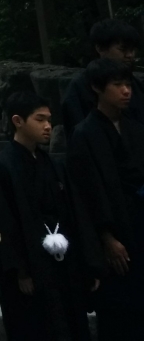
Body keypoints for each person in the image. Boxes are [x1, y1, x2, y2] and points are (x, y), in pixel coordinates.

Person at [0, 92, 92, 341]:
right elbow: (3, 222)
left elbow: (73, 213)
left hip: (61, 261)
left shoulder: (53, 165)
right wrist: (20, 271)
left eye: (49, 120)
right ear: (18, 121)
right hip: (31, 262)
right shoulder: (3, 167)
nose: (47, 126)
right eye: (40, 119)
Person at [67, 57, 144, 340]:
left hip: (140, 221)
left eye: (128, 85)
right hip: (112, 232)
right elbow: (86, 193)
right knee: (119, 312)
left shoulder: (136, 129)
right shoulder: (84, 134)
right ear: (98, 88)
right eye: (117, 85)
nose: (126, 91)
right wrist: (106, 237)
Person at [61, 20, 144, 131]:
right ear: (100, 48)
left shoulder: (137, 86)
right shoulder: (79, 89)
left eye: (132, 50)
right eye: (123, 49)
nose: (129, 55)